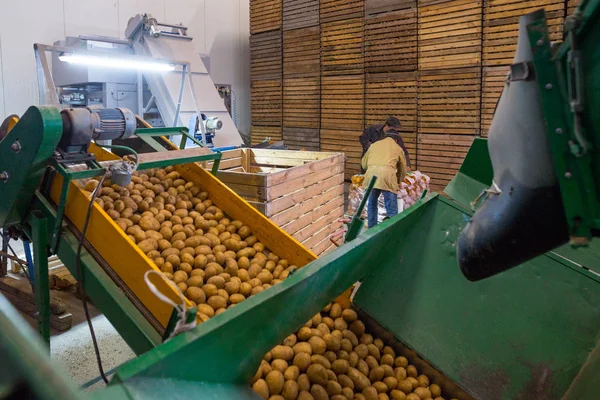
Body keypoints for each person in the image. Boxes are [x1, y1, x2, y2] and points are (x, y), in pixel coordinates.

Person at [361, 129, 408, 228]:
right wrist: (398, 181)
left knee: (372, 205)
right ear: (397, 140)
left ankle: (371, 229)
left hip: (371, 176)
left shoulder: (374, 145)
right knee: (391, 209)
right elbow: (402, 169)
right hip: (387, 177)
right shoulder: (398, 148)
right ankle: (392, 230)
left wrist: (372, 168)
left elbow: (364, 164)